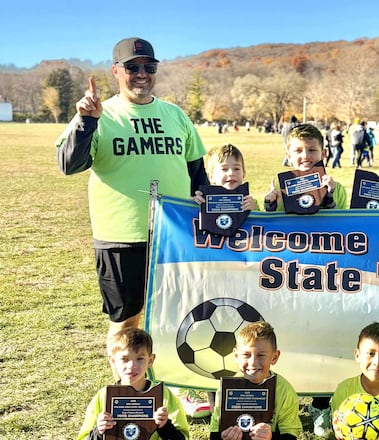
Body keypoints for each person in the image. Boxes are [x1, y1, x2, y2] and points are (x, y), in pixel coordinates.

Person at [56, 37, 208, 348]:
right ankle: (129, 393)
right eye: (132, 67)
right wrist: (86, 121)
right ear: (116, 71)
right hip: (121, 236)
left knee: (175, 315)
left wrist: (209, 203)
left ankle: (173, 390)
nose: (141, 73)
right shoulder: (101, 114)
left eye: (148, 66)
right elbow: (69, 164)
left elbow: (198, 174)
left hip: (174, 235)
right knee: (126, 320)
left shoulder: (176, 115)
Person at [77, 327, 189, 440]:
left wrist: (165, 427)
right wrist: (99, 432)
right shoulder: (103, 397)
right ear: (113, 361)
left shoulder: (164, 396)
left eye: (140, 358)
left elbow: (183, 437)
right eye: (125, 359)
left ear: (150, 361)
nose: (132, 366)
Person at [209, 321, 302, 440]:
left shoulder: (284, 390)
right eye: (246, 355)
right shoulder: (226, 389)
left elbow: (291, 435)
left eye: (261, 355)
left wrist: (270, 437)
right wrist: (223, 437)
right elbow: (214, 432)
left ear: (274, 357)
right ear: (236, 356)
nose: (253, 363)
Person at [329, 322, 379, 440]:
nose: (377, 362)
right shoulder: (344, 389)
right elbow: (339, 434)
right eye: (371, 354)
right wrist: (339, 432)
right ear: (357, 355)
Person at [264, 123, 348, 211]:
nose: (305, 156)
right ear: (288, 156)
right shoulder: (280, 190)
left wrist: (330, 200)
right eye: (298, 151)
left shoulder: (337, 190)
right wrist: (270, 207)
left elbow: (341, 223)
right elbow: (272, 222)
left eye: (312, 150)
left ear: (323, 154)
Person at [193, 144, 259, 211]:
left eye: (236, 169)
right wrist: (194, 205)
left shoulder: (250, 203)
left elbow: (259, 221)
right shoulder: (203, 200)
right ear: (211, 176)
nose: (231, 173)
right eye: (224, 169)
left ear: (244, 173)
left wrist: (254, 211)